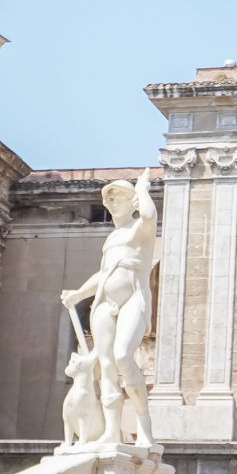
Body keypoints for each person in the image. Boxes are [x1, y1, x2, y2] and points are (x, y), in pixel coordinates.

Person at [59, 168, 159, 446]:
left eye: (119, 197)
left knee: (123, 356)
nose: (112, 203)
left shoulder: (141, 229)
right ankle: (111, 432)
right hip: (104, 301)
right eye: (109, 199)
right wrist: (78, 293)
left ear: (131, 201)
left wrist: (142, 189)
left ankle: (143, 422)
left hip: (133, 299)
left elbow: (150, 216)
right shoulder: (110, 240)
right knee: (106, 367)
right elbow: (103, 275)